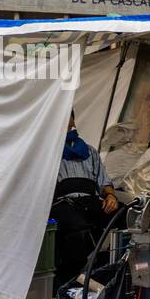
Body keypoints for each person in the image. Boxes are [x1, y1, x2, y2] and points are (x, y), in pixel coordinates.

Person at [50, 112, 119, 288]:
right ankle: (75, 280)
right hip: (62, 202)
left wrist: (110, 195)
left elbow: (104, 183)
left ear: (73, 120)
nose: (66, 122)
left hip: (89, 200)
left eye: (68, 117)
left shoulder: (89, 151)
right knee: (77, 227)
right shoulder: (49, 151)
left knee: (122, 216)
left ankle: (114, 272)